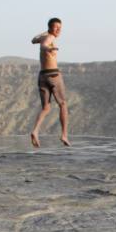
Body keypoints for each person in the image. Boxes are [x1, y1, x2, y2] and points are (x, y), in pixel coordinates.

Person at [30, 17, 70, 148]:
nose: (58, 30)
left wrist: (45, 33)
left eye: (60, 28)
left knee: (46, 108)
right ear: (50, 27)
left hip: (42, 76)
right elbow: (44, 45)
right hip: (53, 74)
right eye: (56, 27)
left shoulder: (45, 36)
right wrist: (47, 49)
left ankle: (35, 131)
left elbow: (33, 40)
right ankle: (64, 134)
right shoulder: (50, 38)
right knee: (63, 104)